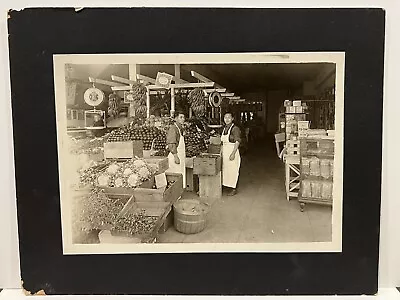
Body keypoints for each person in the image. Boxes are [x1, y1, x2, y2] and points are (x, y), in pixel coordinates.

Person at [221, 112, 241, 196]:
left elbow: (237, 141)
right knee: (226, 170)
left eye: (229, 117)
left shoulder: (235, 129)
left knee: (233, 170)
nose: (227, 119)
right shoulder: (224, 128)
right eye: (225, 117)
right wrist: (221, 152)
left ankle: (233, 188)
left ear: (232, 118)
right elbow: (222, 142)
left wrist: (233, 153)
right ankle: (227, 186)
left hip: (232, 151)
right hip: (225, 151)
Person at [166, 111, 186, 189]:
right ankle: (174, 193)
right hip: (175, 155)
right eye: (181, 117)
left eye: (183, 117)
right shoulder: (173, 128)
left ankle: (178, 192)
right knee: (175, 175)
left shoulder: (180, 128)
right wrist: (175, 156)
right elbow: (171, 143)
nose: (183, 119)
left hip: (180, 155)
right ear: (176, 118)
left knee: (179, 174)